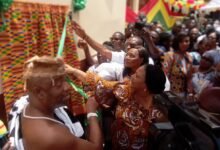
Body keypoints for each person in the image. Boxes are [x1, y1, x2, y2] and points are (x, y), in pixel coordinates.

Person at [7, 56, 103, 150]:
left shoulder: (26, 108)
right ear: (40, 92)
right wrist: (91, 112)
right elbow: (96, 147)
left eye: (65, 80)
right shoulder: (53, 136)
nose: (67, 87)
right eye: (59, 84)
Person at [65, 63, 166, 149]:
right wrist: (74, 71)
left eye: (137, 76)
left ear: (145, 88)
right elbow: (99, 83)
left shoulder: (158, 115)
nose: (132, 75)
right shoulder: (126, 90)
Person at [163, 32, 193, 98]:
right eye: (181, 41)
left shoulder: (189, 57)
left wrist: (190, 92)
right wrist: (166, 91)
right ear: (177, 43)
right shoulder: (170, 55)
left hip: (183, 93)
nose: (184, 43)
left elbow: (189, 77)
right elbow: (164, 73)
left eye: (187, 41)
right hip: (170, 92)